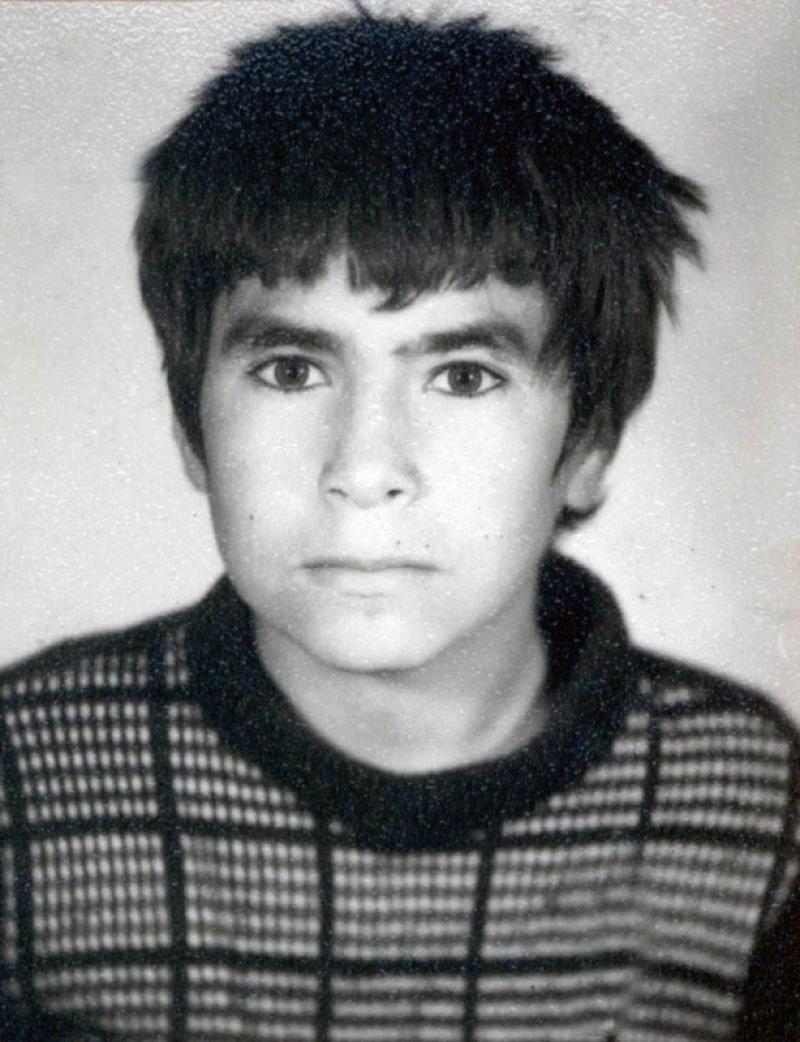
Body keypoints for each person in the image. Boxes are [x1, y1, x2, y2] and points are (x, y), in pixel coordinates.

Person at [0, 9, 797, 1042]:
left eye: (463, 376)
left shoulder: (756, 814)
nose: (364, 470)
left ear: (588, 444)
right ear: (192, 425)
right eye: (291, 370)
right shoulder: (20, 782)